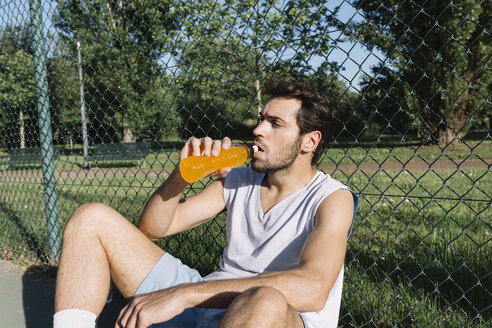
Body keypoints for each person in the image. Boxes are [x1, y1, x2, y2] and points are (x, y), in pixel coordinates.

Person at [53, 78, 358, 328]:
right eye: (262, 119)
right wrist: (181, 175)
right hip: (207, 300)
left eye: (275, 123)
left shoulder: (331, 198)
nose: (257, 130)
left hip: (271, 316)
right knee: (90, 218)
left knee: (264, 300)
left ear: (310, 141)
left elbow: (313, 289)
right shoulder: (239, 179)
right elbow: (154, 228)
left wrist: (183, 295)